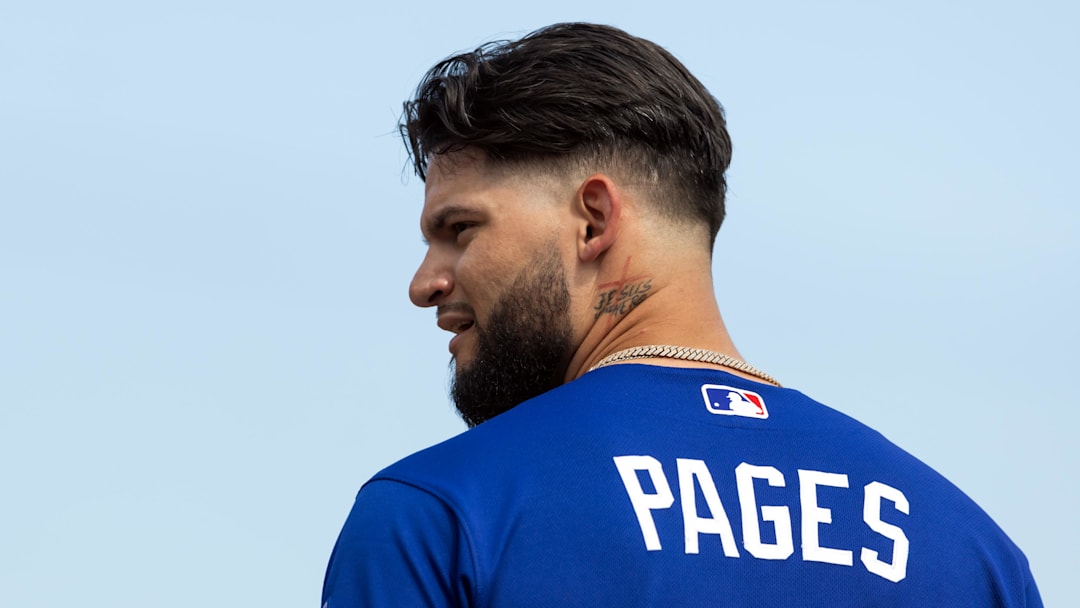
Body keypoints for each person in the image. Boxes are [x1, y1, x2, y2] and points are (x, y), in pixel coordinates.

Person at [322, 22, 1041, 607]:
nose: (425, 284)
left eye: (460, 230)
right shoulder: (972, 554)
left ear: (592, 221)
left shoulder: (442, 518)